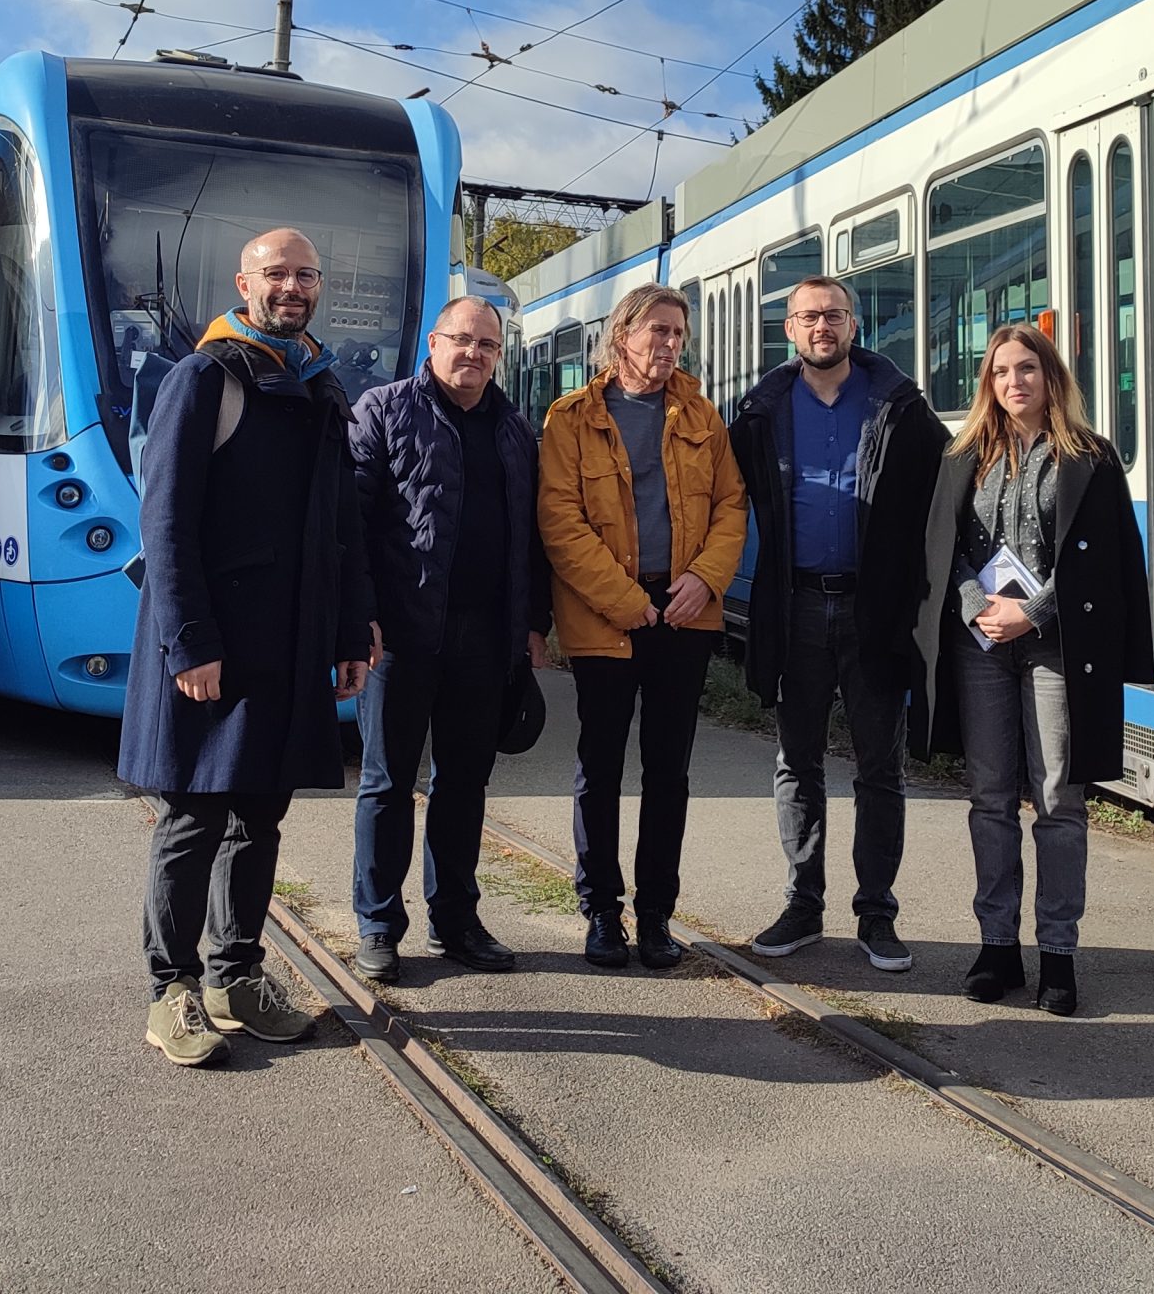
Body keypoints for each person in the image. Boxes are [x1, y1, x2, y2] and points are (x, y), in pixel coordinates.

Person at [119, 227, 377, 1068]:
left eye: (306, 274)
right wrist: (188, 640)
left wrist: (349, 631)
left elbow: (343, 526)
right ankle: (172, 990)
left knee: (260, 814)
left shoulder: (320, 381)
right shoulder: (205, 376)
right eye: (277, 274)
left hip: (294, 639)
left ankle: (237, 975)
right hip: (214, 644)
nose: (292, 287)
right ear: (245, 283)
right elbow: (165, 524)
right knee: (192, 815)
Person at [913, 322, 1154, 1016]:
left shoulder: (1091, 458)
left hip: (1055, 648)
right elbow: (943, 549)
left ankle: (1057, 954)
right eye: (1000, 372)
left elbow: (1103, 564)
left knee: (1058, 799)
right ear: (987, 383)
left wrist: (1034, 613)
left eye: (1027, 369)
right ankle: (996, 947)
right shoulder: (964, 456)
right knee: (989, 798)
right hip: (979, 645)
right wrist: (973, 604)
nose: (1013, 382)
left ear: (1051, 378)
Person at [728, 276, 946, 972]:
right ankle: (803, 903)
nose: (822, 326)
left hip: (874, 609)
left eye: (834, 315)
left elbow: (951, 487)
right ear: (789, 330)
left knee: (881, 766)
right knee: (798, 763)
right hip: (793, 607)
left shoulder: (900, 407)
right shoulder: (761, 411)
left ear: (854, 325)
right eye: (808, 317)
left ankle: (876, 915)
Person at [538, 283, 747, 972]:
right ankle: (602, 910)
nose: (666, 344)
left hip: (684, 613)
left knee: (669, 772)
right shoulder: (570, 419)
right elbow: (561, 523)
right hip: (608, 617)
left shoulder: (702, 417)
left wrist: (704, 580)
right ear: (622, 333)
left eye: (677, 334)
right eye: (656, 330)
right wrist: (625, 599)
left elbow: (730, 508)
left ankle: (656, 914)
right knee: (599, 768)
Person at [346, 296, 551, 983]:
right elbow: (352, 522)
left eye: (487, 346)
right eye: (460, 340)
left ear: (500, 354)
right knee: (386, 783)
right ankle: (378, 925)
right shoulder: (384, 410)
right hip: (400, 635)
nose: (473, 354)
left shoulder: (515, 430)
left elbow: (533, 538)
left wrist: (532, 626)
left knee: (465, 784)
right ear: (433, 342)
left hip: (486, 639)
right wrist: (360, 614)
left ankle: (456, 921)